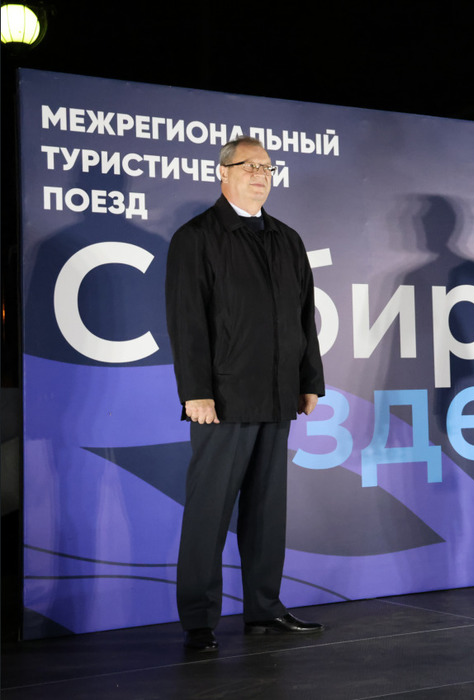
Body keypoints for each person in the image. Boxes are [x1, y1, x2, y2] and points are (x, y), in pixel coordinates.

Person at [166, 136, 325, 652]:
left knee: (266, 513)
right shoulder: (197, 237)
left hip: (278, 395)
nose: (260, 174)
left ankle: (264, 609)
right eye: (248, 166)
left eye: (267, 167)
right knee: (209, 512)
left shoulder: (287, 239)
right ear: (223, 173)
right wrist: (196, 392)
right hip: (223, 400)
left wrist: (309, 380)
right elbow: (187, 321)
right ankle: (198, 620)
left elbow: (304, 317)